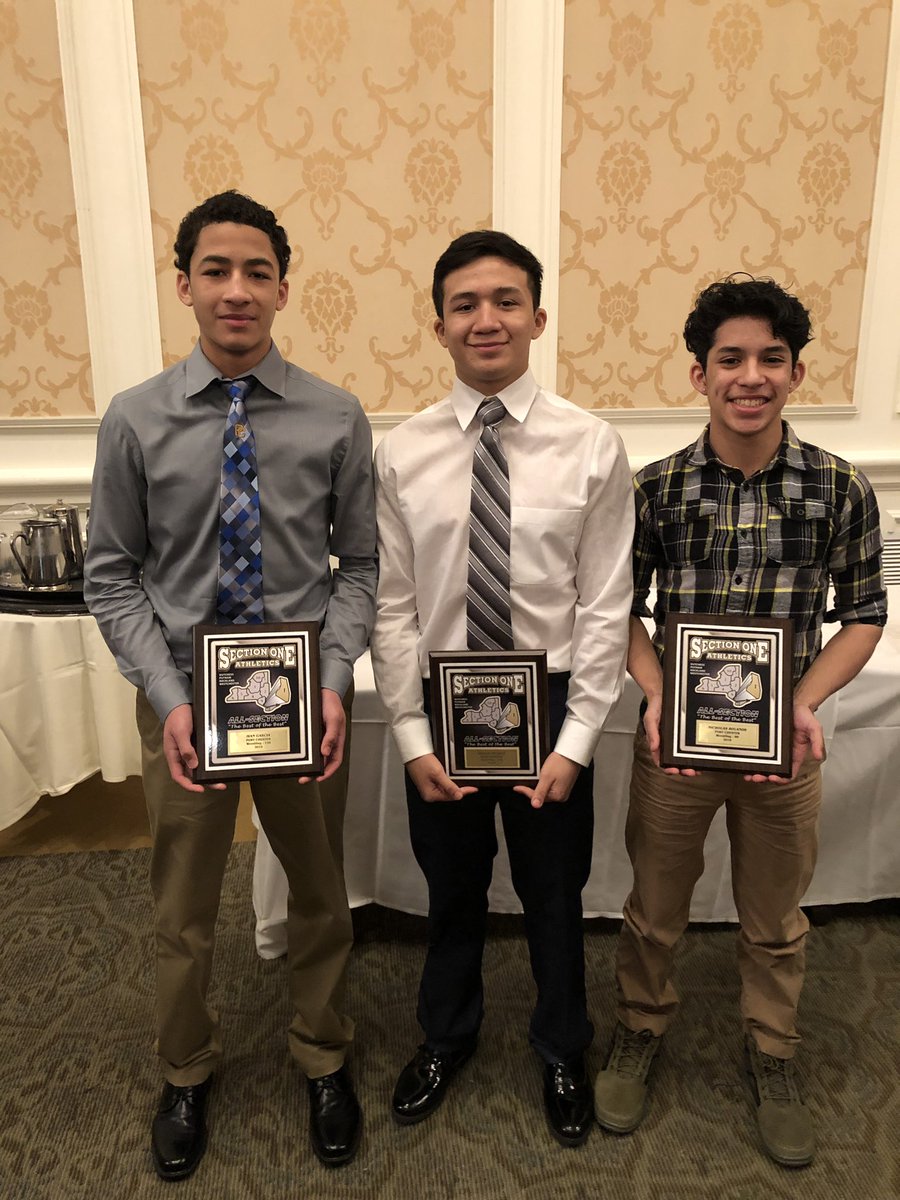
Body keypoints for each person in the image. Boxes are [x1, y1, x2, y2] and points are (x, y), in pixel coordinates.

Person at [83, 191, 377, 1180]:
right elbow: (111, 576)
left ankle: (323, 1052)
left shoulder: (336, 416)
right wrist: (169, 699)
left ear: (284, 289)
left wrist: (333, 681)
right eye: (216, 271)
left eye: (258, 272)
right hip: (184, 698)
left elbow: (360, 567)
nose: (237, 290)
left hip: (303, 699)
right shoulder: (135, 419)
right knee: (182, 903)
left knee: (321, 890)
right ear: (185, 286)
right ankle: (185, 1068)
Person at [593, 276, 887, 1168]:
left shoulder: (839, 487)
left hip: (782, 749)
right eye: (731, 359)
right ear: (700, 374)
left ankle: (773, 1049)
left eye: (770, 359)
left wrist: (801, 701)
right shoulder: (655, 488)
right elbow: (619, 612)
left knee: (775, 916)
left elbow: (863, 616)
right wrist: (656, 695)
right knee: (654, 908)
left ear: (796, 373)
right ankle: (641, 1028)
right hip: (676, 747)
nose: (750, 376)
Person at [370, 230, 633, 1147]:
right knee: (452, 889)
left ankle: (563, 1046)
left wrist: (577, 740)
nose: (487, 319)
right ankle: (446, 1036)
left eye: (506, 301)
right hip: (442, 704)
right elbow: (394, 605)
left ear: (538, 317)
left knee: (555, 893)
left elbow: (605, 604)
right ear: (439, 325)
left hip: (549, 706)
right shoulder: (401, 452)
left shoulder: (590, 446)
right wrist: (410, 734)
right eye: (465, 304)